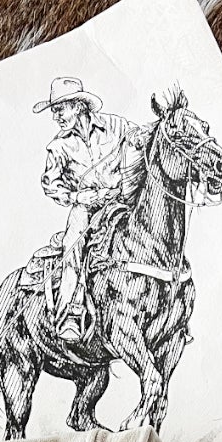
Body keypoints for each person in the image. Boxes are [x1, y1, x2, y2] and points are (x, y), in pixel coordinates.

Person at [34, 77, 146, 343]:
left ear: (78, 106)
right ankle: (71, 314)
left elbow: (143, 140)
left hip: (123, 200)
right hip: (85, 209)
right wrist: (76, 196)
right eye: (54, 111)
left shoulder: (117, 126)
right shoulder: (58, 147)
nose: (56, 117)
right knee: (73, 245)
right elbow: (50, 184)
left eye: (60, 109)